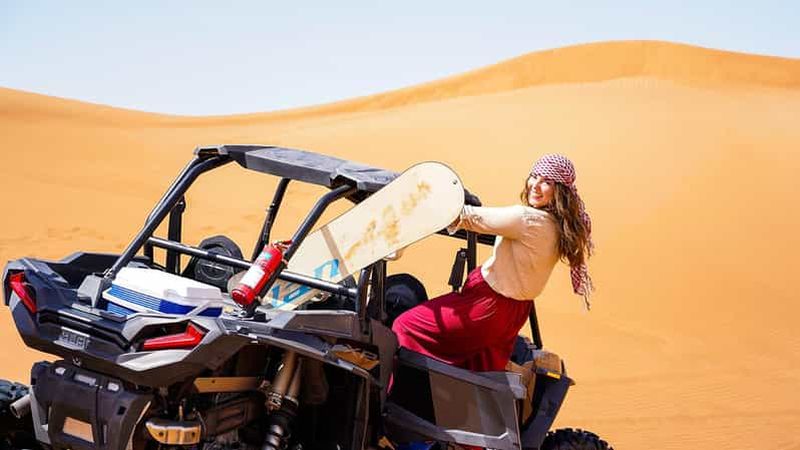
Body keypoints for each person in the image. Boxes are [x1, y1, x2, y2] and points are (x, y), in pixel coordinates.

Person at [391, 154, 594, 372]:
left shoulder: (526, 219)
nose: (535, 185)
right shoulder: (559, 226)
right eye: (534, 176)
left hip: (486, 307)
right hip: (513, 315)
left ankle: (398, 387)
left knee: (405, 326)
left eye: (547, 182)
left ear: (560, 191)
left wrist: (418, 202)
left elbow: (465, 217)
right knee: (475, 367)